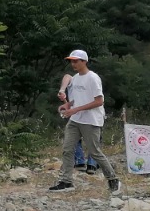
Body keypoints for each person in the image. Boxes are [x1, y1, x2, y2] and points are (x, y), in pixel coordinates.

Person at [49, 50, 120, 195]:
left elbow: (99, 101)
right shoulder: (75, 78)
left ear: (84, 61)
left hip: (91, 120)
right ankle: (66, 181)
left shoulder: (92, 78)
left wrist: (75, 110)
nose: (73, 64)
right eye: (71, 61)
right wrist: (68, 106)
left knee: (94, 151)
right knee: (67, 149)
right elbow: (76, 97)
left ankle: (113, 179)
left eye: (76, 61)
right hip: (75, 120)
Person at [57, 70, 99, 175]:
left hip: (89, 116)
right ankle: (87, 163)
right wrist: (62, 91)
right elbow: (67, 76)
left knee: (90, 141)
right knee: (83, 140)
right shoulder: (75, 82)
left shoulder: (90, 81)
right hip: (79, 116)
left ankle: (86, 163)